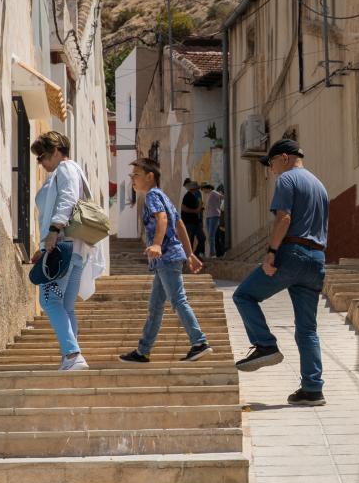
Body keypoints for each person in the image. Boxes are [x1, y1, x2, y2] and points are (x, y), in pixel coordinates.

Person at [232, 138, 329, 406]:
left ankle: (265, 345)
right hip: (317, 259)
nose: (271, 170)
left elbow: (284, 218)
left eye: (271, 163)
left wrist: (272, 252)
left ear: (284, 158)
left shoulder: (287, 180)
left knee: (244, 296)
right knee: (307, 329)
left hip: (292, 254)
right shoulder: (319, 186)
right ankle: (312, 389)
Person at [119, 158, 211, 363]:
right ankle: (143, 351)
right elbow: (179, 224)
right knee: (155, 306)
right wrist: (190, 254)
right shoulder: (163, 196)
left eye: (136, 175)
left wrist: (158, 244)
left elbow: (163, 219)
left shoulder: (152, 195)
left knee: (178, 300)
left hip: (166, 257)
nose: (132, 179)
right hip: (167, 259)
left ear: (150, 176)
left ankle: (199, 342)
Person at [31, 131, 107, 371]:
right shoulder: (69, 171)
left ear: (55, 151)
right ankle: (71, 357)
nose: (40, 163)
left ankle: (72, 354)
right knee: (65, 305)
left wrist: (53, 231)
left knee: (49, 299)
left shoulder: (65, 169)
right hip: (75, 250)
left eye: (42, 156)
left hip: (63, 247)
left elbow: (67, 199)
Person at [180, 178, 207, 257]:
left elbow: (198, 209)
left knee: (202, 238)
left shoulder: (195, 195)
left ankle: (195, 254)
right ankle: (190, 257)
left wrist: (199, 209)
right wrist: (195, 211)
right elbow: (183, 208)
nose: (197, 189)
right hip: (189, 222)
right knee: (190, 240)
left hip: (195, 221)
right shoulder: (187, 196)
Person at [201, 182, 225, 257]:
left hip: (214, 216)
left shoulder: (213, 192)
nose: (203, 191)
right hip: (209, 217)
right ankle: (212, 252)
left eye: (203, 189)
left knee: (211, 235)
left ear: (207, 188)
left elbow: (222, 197)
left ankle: (213, 253)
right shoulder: (209, 195)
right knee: (210, 236)